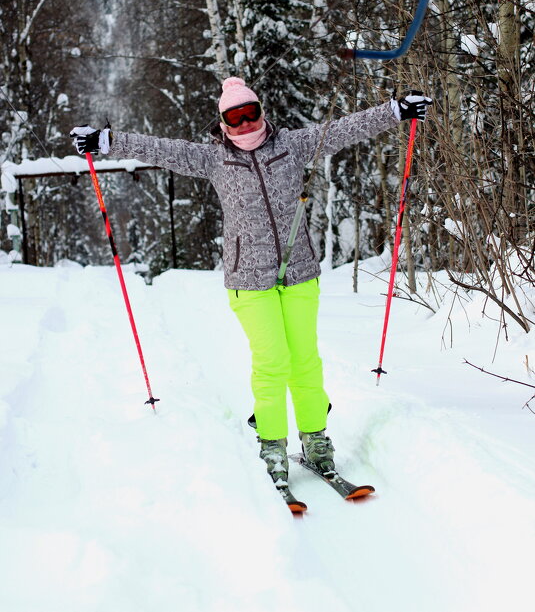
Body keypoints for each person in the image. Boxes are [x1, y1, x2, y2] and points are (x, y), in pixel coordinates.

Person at [71, 78, 431, 494]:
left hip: (299, 274)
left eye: (250, 114)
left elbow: (345, 128)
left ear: (262, 112)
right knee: (273, 360)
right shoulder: (213, 160)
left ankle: (316, 442)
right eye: (233, 118)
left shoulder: (292, 145)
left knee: (305, 362)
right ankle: (272, 447)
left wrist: (395, 111)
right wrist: (107, 140)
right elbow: (160, 148)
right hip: (248, 280)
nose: (244, 124)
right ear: (223, 123)